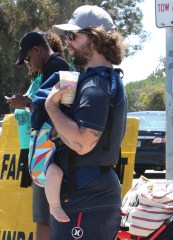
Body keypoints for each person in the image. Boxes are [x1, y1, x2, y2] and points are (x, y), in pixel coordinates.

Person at [42, 5, 127, 240]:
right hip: (89, 198)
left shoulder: (95, 84)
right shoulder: (103, 79)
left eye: (73, 35)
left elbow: (83, 143)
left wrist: (51, 106)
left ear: (95, 38)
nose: (67, 42)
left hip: (87, 200)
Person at [15, 31, 70, 240]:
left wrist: (27, 104)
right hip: (47, 149)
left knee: (45, 220)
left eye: (28, 58)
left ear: (37, 50)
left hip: (50, 151)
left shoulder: (58, 68)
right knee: (46, 218)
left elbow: (59, 107)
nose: (29, 64)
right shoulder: (53, 68)